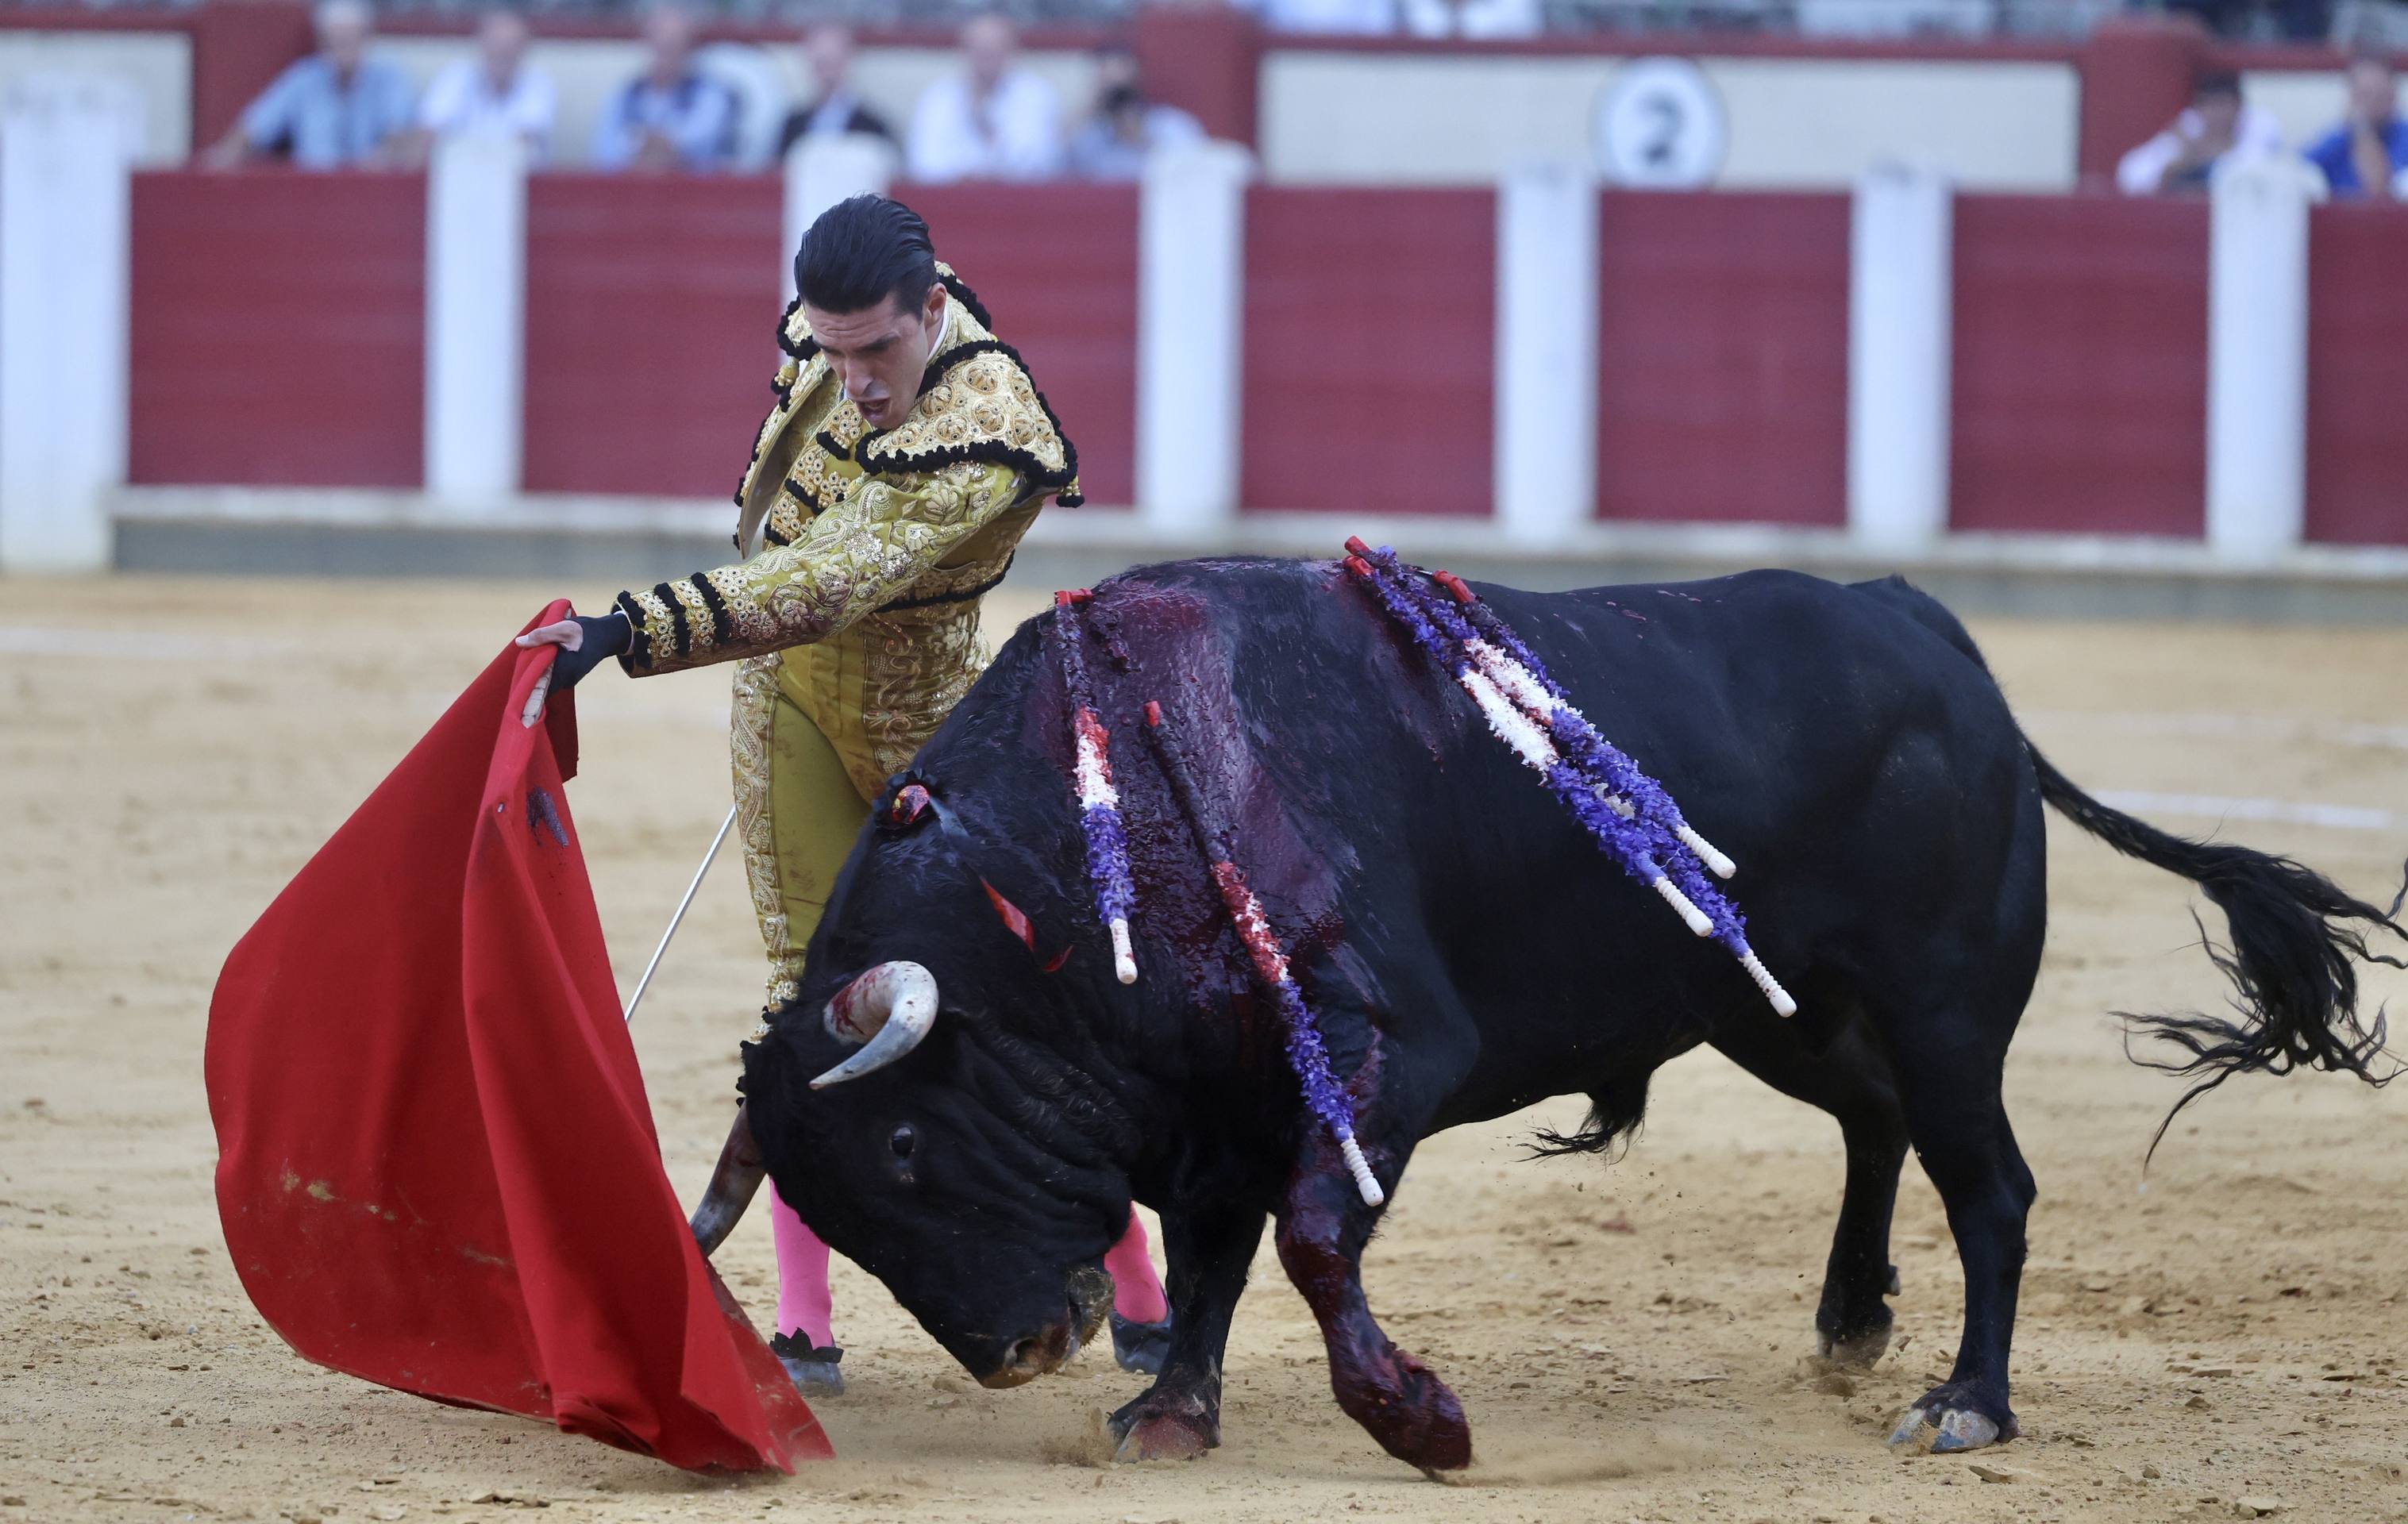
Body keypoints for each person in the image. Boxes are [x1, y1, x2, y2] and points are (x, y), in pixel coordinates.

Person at [514, 195, 1173, 1395]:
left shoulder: (991, 429)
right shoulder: (839, 333)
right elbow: (779, 530)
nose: (857, 380)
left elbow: (825, 583)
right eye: (834, 351)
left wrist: (630, 629)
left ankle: (1136, 1288)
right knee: (803, 1002)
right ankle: (805, 1326)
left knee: (1011, 1013)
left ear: (933, 310)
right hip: (788, 707)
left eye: (878, 351)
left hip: (934, 737)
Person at [201, 0, 414, 170]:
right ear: (322, 42)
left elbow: (400, 139)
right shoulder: (304, 79)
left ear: (366, 39)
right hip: (313, 194)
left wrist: (382, 159)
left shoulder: (389, 80)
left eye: (350, 40)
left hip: (370, 194)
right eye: (335, 41)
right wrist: (227, 154)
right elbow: (256, 125)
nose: (343, 49)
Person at [906, 13, 1063, 183]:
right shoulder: (939, 98)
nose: (986, 57)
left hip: (1020, 199)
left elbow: (1040, 162)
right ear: (964, 51)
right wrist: (968, 175)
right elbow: (924, 164)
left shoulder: (1037, 96)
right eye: (979, 49)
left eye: (995, 48)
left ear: (1013, 51)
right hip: (951, 199)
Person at [592, 3, 740, 172]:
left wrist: (653, 146)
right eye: (660, 46)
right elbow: (605, 154)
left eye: (674, 46)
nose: (666, 56)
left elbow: (703, 151)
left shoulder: (711, 95)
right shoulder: (625, 95)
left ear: (689, 48)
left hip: (694, 193)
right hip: (629, 191)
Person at [416, 10, 557, 162]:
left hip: (519, 178)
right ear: (481, 42)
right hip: (457, 175)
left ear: (524, 48)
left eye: (511, 46)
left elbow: (527, 138)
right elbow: (429, 132)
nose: (502, 52)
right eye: (496, 44)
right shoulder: (455, 76)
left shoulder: (539, 83)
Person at [2114, 69, 2283, 195]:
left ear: (2239, 106)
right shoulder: (2190, 126)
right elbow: (2129, 175)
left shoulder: (2259, 124)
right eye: (2207, 105)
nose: (2215, 114)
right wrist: (2172, 168)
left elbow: (2252, 172)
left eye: (2222, 104)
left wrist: (2198, 154)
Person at [1065, 42, 1203, 180]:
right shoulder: (1090, 134)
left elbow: (1193, 171)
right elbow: (1058, 169)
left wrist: (1141, 138)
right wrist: (1088, 107)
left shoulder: (1172, 126)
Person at [776, 22, 897, 160]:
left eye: (833, 62)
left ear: (849, 59)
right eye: (821, 63)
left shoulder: (873, 126)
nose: (828, 74)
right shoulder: (793, 124)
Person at [2303, 51, 2408, 199]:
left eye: (2379, 96)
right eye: (2365, 95)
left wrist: (2362, 130)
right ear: (2351, 97)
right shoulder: (2337, 139)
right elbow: (2298, 173)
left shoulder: (2404, 138)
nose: (2372, 104)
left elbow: (2380, 191)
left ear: (2393, 96)